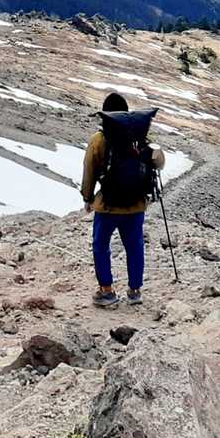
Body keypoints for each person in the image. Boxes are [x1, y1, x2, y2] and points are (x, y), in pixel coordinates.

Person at [81, 92, 165, 308]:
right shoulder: (139, 137)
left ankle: (107, 291)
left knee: (101, 245)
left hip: (107, 205)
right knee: (134, 246)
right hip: (136, 205)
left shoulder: (99, 139)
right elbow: (157, 163)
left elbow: (90, 170)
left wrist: (88, 197)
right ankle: (135, 291)